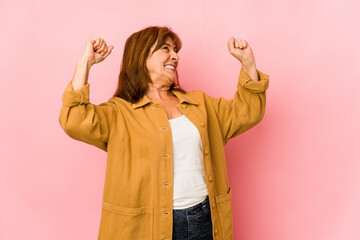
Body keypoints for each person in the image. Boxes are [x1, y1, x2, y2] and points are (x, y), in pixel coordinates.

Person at [59, 26, 269, 240]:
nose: (175, 56)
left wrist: (248, 64)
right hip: (145, 228)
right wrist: (85, 63)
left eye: (176, 50)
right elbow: (74, 120)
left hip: (204, 220)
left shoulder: (200, 104)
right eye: (165, 48)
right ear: (141, 57)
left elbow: (248, 111)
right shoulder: (118, 112)